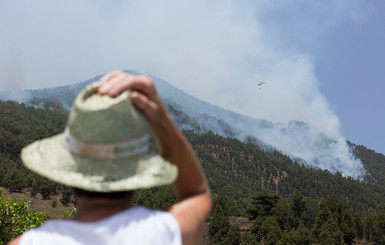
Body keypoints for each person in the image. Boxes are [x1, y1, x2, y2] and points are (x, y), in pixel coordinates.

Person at [9, 70, 212, 245]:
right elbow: (195, 195)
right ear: (137, 169)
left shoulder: (30, 242)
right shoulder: (162, 232)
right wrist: (160, 118)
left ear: (70, 168)